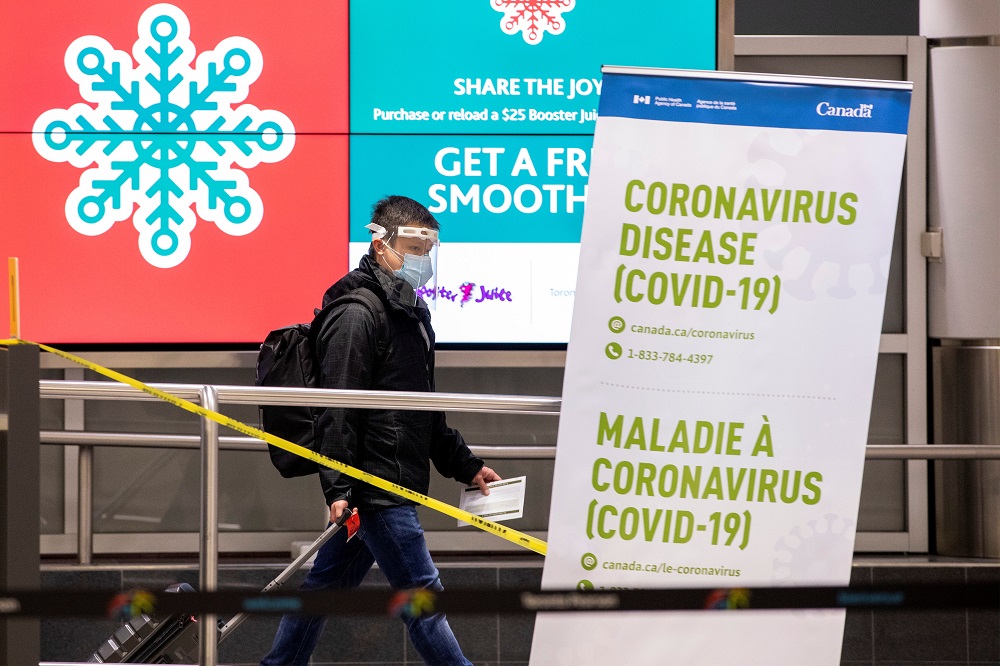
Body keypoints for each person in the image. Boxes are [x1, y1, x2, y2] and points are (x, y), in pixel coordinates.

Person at [261, 195, 499, 666]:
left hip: (392, 478)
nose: (422, 258)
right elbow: (338, 409)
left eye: (429, 247)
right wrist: (339, 486)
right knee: (424, 600)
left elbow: (422, 408)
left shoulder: (411, 313)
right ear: (380, 241)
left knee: (324, 590)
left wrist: (465, 466)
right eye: (413, 244)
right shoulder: (355, 312)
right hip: (375, 485)